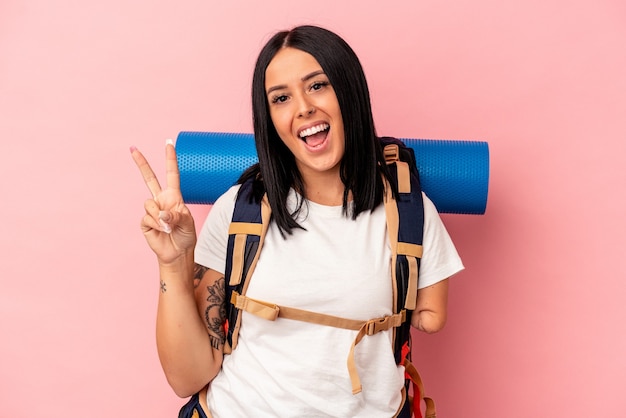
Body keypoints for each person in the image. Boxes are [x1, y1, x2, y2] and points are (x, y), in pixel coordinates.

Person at [131, 25, 463, 417]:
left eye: (318, 85)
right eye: (281, 98)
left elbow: (430, 317)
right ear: (270, 118)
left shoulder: (412, 214)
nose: (303, 107)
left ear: (350, 92)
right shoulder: (240, 209)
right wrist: (172, 261)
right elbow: (187, 378)